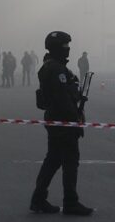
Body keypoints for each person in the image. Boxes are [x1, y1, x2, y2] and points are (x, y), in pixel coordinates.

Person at [30, 31, 93, 216]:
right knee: (70, 162)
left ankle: (38, 199)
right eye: (65, 46)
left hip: (57, 121)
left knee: (53, 161)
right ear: (57, 48)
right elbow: (62, 100)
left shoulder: (52, 66)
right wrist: (76, 120)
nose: (68, 49)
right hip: (63, 123)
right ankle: (70, 202)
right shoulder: (56, 69)